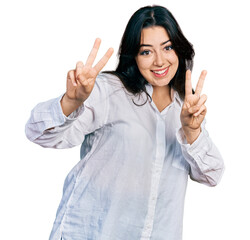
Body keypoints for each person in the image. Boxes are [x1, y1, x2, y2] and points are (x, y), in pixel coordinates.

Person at [25, 5, 224, 240]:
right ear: (134, 56)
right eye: (146, 52)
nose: (160, 61)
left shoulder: (186, 107)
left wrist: (192, 132)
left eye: (167, 47)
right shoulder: (109, 91)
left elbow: (212, 175)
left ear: (179, 49)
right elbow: (38, 132)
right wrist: (71, 100)